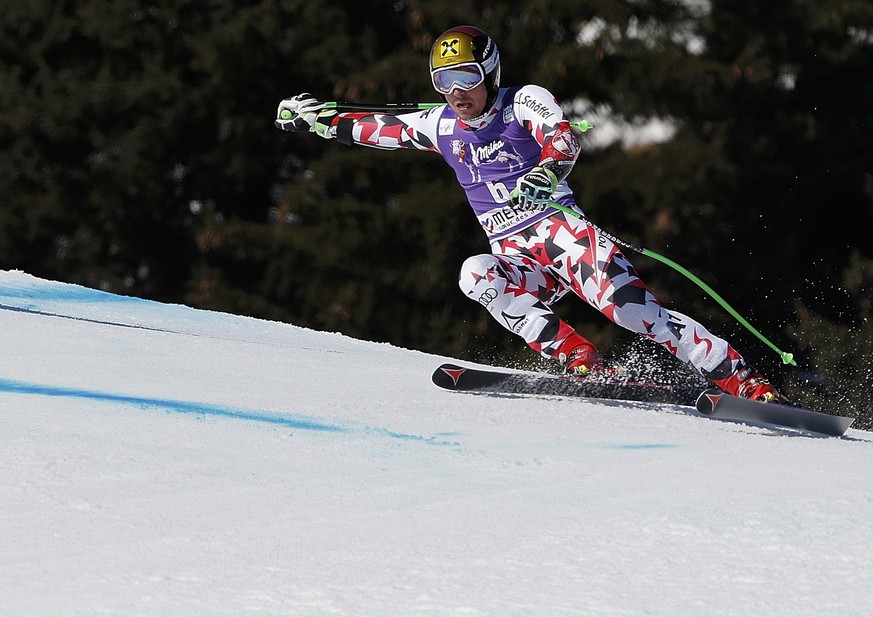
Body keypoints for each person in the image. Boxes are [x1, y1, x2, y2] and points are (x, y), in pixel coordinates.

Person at [276, 25, 786, 403]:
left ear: (489, 72)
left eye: (466, 77)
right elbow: (378, 129)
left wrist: (546, 171)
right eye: (443, 81)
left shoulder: (524, 100)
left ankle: (742, 379)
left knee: (634, 313)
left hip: (565, 236)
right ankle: (580, 361)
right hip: (521, 258)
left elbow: (561, 137)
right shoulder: (440, 124)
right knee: (475, 274)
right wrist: (317, 121)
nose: (455, 93)